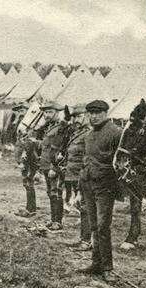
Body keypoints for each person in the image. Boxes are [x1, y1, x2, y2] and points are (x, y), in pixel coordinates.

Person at [78, 100, 122, 280]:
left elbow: (120, 162)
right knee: (94, 224)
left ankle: (107, 268)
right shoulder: (88, 135)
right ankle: (96, 263)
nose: (94, 116)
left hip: (105, 186)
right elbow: (86, 158)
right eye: (91, 113)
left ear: (106, 113)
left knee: (103, 226)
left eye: (98, 113)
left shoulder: (115, 133)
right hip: (88, 184)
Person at [62, 104, 91, 251]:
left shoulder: (89, 134)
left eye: (79, 116)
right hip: (74, 174)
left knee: (86, 207)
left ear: (87, 115)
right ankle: (83, 238)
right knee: (82, 206)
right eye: (74, 117)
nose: (75, 120)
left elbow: (86, 158)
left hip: (83, 175)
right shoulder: (79, 132)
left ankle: (86, 241)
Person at [38, 101, 69, 231]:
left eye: (50, 112)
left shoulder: (61, 128)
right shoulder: (49, 127)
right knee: (50, 193)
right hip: (45, 164)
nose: (47, 115)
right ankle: (53, 219)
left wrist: (54, 167)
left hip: (53, 166)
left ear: (57, 113)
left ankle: (58, 222)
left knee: (56, 193)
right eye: (45, 112)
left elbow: (60, 150)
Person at [14, 103, 42, 218]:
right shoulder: (31, 127)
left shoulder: (40, 129)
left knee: (28, 180)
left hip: (34, 157)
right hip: (28, 156)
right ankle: (30, 207)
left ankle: (31, 208)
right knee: (27, 181)